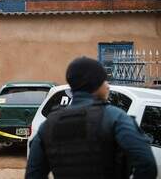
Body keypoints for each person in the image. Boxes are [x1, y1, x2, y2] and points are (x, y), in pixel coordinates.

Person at [26, 57, 157, 179]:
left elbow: (33, 174)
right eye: (105, 81)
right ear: (97, 84)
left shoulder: (48, 125)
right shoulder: (115, 118)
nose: (108, 86)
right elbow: (147, 164)